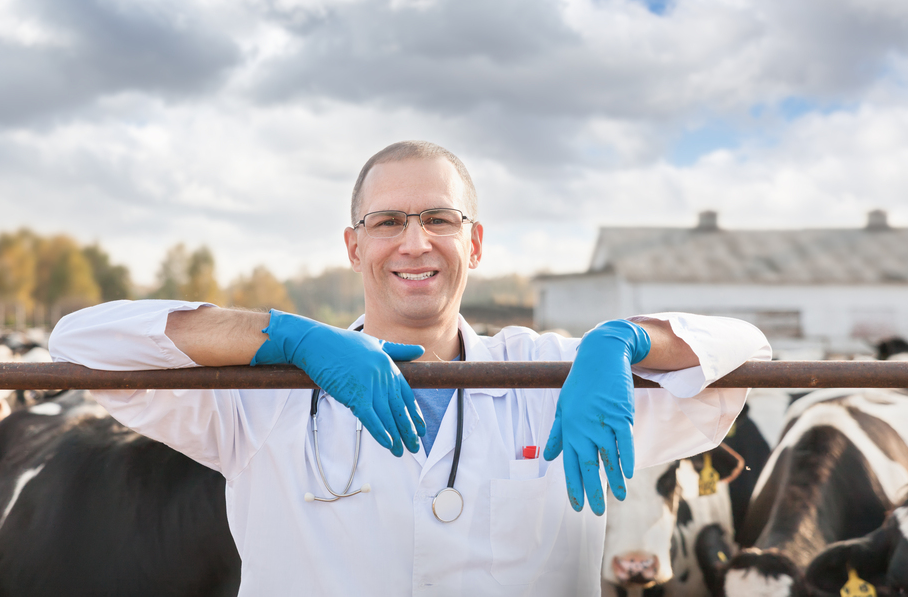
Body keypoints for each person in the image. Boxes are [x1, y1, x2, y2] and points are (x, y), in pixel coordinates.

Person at [49, 140, 771, 596]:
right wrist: (287, 336)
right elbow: (81, 339)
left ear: (476, 243)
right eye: (387, 221)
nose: (415, 242)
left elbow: (749, 353)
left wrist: (622, 340)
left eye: (440, 219)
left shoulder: (551, 372)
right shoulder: (258, 394)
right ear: (353, 245)